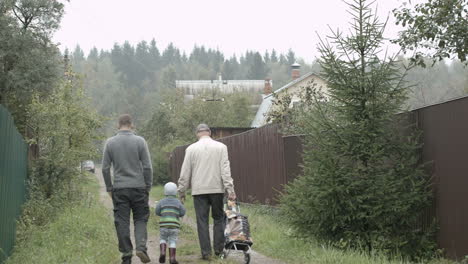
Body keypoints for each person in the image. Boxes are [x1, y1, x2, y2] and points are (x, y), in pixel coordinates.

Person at [177, 123, 236, 260]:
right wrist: (230, 189)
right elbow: (225, 171)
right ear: (209, 132)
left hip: (199, 191)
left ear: (197, 133)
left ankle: (206, 253)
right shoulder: (221, 147)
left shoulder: (191, 149)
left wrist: (182, 191)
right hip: (217, 189)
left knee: (202, 221)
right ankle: (219, 250)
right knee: (218, 219)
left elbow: (185, 172)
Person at [102, 114, 153, 264]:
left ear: (118, 125)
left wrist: (109, 188)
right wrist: (148, 186)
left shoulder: (110, 143)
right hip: (138, 187)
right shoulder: (140, 141)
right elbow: (147, 167)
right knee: (140, 219)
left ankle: (126, 255)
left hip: (119, 188)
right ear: (132, 125)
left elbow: (105, 168)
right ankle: (141, 248)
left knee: (122, 221)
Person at [155, 182, 186, 264]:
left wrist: (162, 213)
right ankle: (172, 258)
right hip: (174, 226)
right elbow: (182, 213)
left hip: (163, 226)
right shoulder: (178, 202)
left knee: (162, 239)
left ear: (164, 191)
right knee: (172, 241)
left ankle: (162, 252)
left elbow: (157, 211)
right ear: (176, 192)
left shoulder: (161, 202)